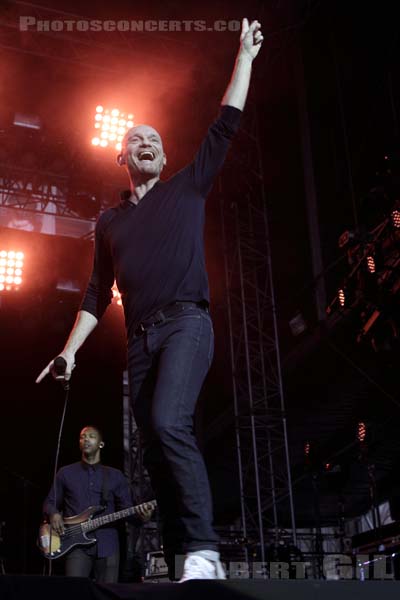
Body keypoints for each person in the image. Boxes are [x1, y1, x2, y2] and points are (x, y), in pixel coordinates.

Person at [37, 18, 263, 581]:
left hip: (188, 324)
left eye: (156, 141)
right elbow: (95, 292)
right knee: (155, 452)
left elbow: (226, 123)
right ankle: (187, 556)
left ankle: (206, 551)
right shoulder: (109, 222)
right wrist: (70, 352)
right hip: (140, 341)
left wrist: (245, 58)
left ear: (164, 159)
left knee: (168, 422)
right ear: (122, 156)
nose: (148, 143)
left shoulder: (186, 187)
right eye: (137, 139)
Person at [43, 425, 151, 583]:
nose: (86, 439)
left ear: (101, 444)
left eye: (91, 436)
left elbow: (127, 510)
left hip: (108, 545)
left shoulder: (115, 476)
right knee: (74, 592)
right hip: (76, 546)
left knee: (107, 593)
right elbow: (49, 502)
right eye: (82, 437)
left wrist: (143, 517)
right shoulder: (65, 473)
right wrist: (53, 513)